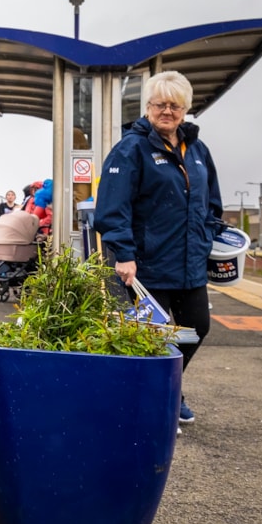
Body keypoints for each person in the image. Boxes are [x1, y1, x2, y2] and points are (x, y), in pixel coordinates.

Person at [94, 70, 224, 427]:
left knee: (197, 327)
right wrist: (124, 254)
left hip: (189, 264)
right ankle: (150, 406)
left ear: (185, 109)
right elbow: (112, 208)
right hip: (147, 266)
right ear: (147, 107)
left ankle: (170, 388)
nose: (168, 111)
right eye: (160, 104)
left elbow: (212, 204)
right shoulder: (131, 148)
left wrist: (207, 239)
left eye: (175, 105)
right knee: (150, 339)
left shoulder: (197, 150)